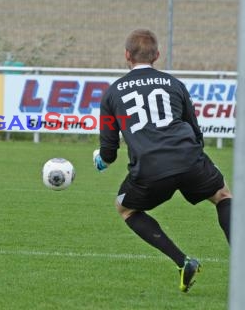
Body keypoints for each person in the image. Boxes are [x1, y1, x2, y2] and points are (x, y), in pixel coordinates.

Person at [92, 28, 232, 292]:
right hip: (190, 158)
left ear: (126, 55)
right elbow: (194, 127)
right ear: (157, 55)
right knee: (223, 196)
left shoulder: (112, 93)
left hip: (150, 169)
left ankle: (183, 262)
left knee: (125, 208)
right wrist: (193, 158)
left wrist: (102, 160)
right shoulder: (174, 84)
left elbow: (109, 150)